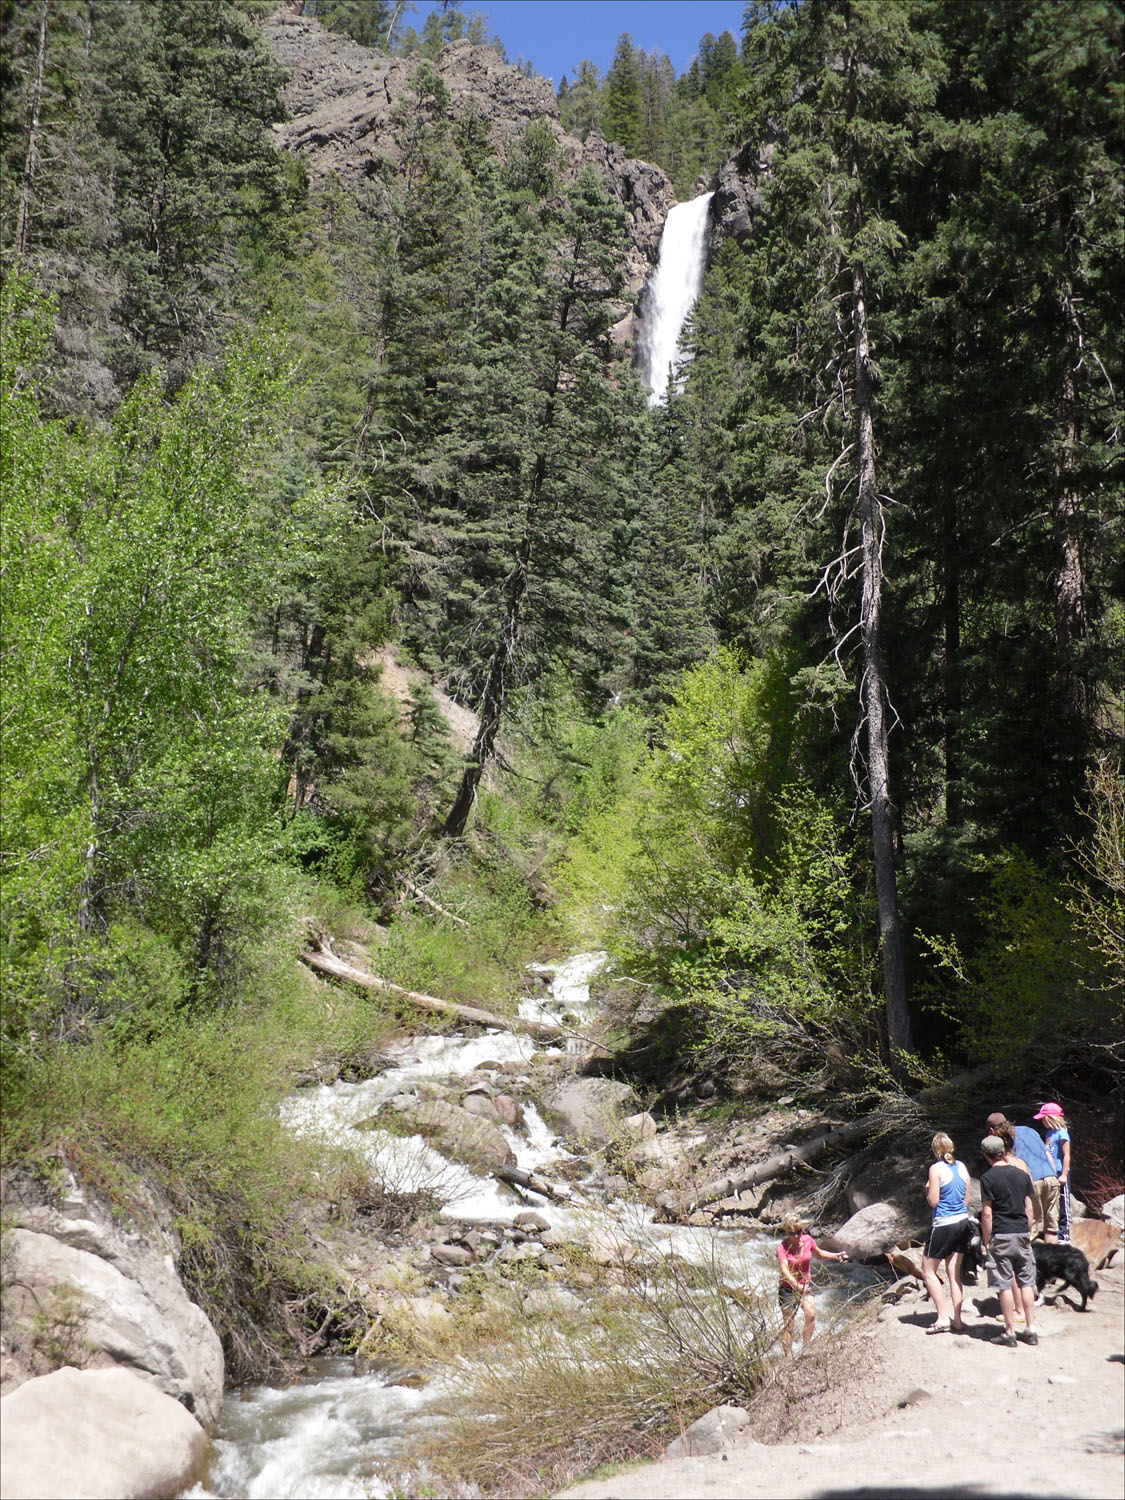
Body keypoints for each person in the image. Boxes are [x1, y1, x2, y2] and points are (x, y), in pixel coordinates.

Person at [979, 1134, 1038, 1347]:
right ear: (1003, 1151)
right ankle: (1031, 1329)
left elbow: (987, 1214)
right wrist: (1028, 1231)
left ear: (987, 1155)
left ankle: (1010, 1332)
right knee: (1027, 1282)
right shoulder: (1022, 1174)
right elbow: (1029, 1208)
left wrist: (987, 1239)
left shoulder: (988, 1178)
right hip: (1022, 1232)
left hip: (1001, 1234)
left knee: (1004, 1284)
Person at [776, 1213, 848, 1354]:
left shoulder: (808, 1240)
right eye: (792, 1233)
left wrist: (836, 1256)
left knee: (811, 1315)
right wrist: (797, 1286)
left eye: (799, 1232)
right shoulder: (782, 1248)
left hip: (805, 1286)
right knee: (789, 1325)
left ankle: (806, 1349)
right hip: (787, 1289)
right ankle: (787, 1356)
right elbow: (785, 1271)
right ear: (786, 1232)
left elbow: (819, 1253)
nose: (797, 1236)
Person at [921, 1132, 971, 1334]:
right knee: (953, 1272)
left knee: (927, 1271)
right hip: (962, 1222)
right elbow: (967, 1201)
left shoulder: (935, 1169)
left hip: (943, 1223)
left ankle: (942, 1318)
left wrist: (927, 1190)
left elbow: (933, 1201)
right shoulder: (962, 1167)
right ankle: (957, 1320)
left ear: (935, 1150)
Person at [986, 1111, 1059, 1242]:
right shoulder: (1028, 1129)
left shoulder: (1004, 1139)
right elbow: (1048, 1154)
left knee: (1033, 1228)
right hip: (1051, 1177)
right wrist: (1053, 1174)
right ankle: (1053, 1260)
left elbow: (1012, 1163)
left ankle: (1030, 1261)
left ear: (991, 1129)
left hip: (1033, 1181)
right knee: (1051, 1228)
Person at [1034, 1102, 1073, 1243]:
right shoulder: (1049, 1133)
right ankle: (1053, 1231)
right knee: (1053, 1204)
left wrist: (1064, 1174)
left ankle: (1065, 1234)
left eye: (1043, 1119)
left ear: (1051, 1118)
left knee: (1063, 1204)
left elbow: (1066, 1155)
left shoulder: (1062, 1133)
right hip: (1051, 1173)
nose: (1042, 1122)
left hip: (1061, 1172)